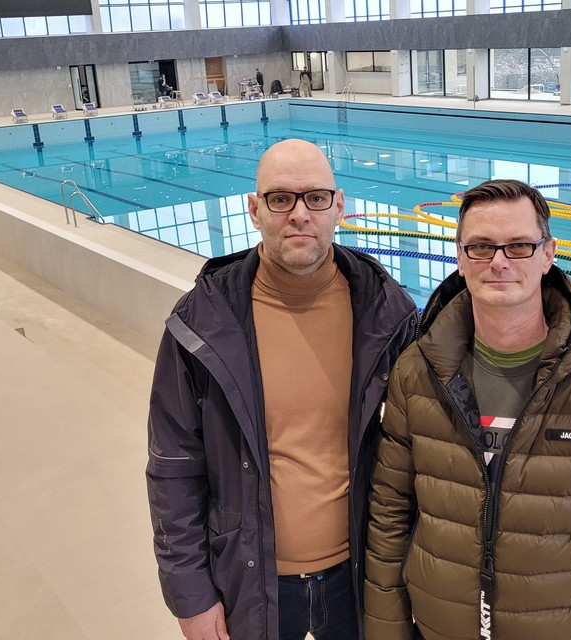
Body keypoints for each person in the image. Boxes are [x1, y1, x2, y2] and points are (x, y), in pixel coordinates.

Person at [364, 179, 571, 640]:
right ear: (460, 257)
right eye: (481, 247)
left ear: (548, 254)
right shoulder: (416, 373)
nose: (499, 262)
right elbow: (390, 516)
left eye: (519, 246)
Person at [147, 138, 418, 640]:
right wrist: (191, 595)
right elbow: (174, 468)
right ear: (254, 210)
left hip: (362, 577)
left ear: (339, 206)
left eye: (315, 197)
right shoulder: (202, 321)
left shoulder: (387, 313)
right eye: (280, 199)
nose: (299, 214)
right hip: (250, 580)